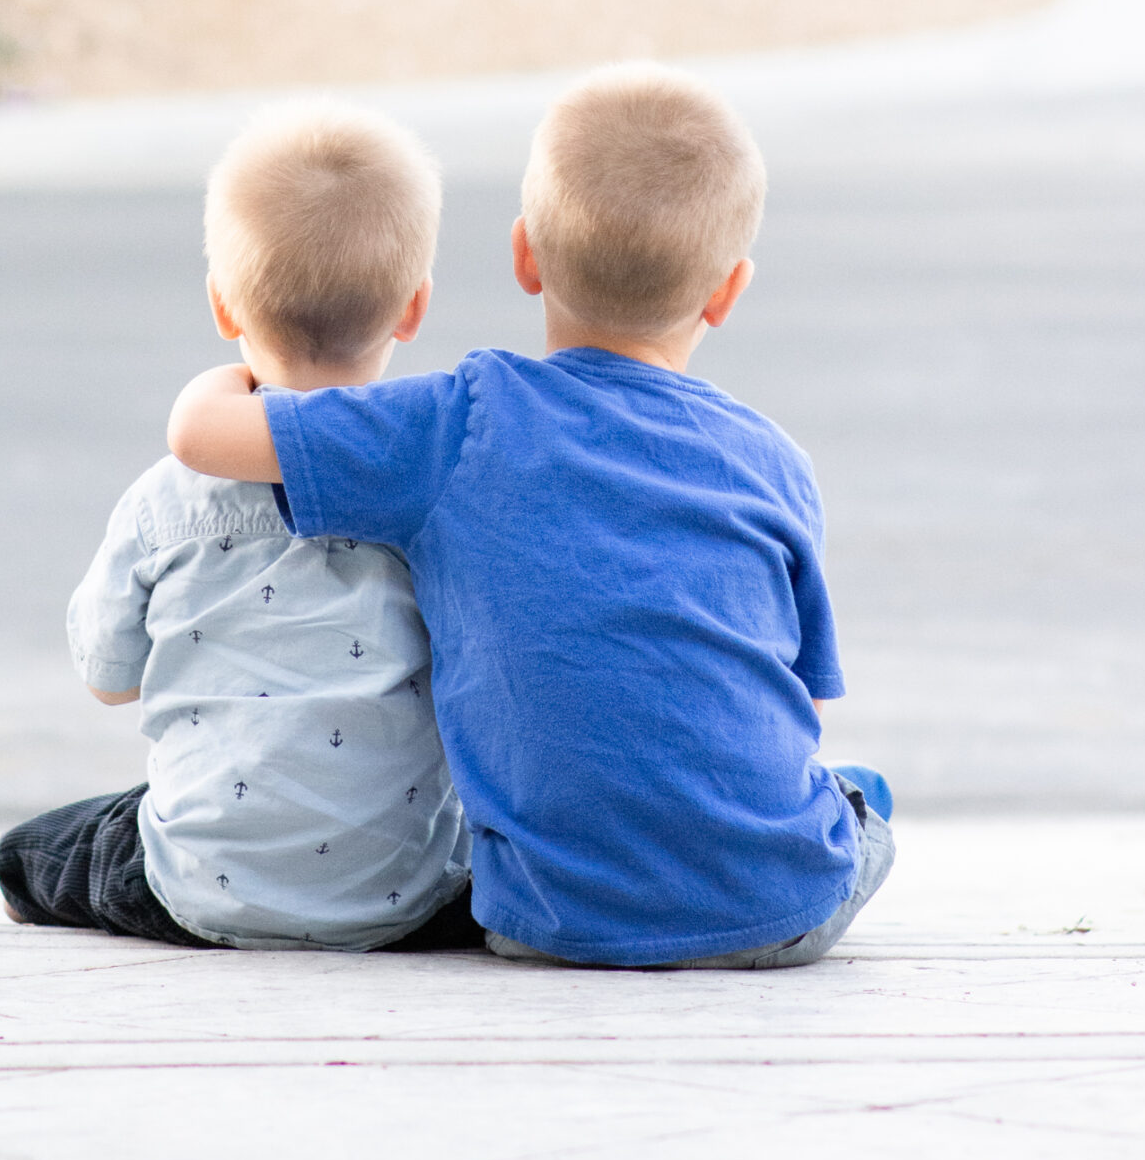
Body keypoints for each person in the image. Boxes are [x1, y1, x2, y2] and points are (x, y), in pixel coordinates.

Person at [167, 63, 895, 971]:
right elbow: (806, 698)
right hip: (780, 912)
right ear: (727, 291)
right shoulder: (774, 462)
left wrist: (224, 374)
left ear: (523, 254)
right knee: (859, 802)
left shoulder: (458, 422)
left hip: (546, 919)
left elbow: (201, 437)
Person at [0, 101, 478, 950]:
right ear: (413, 308)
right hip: (399, 898)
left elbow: (109, 678)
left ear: (224, 305)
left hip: (196, 889)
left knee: (32, 853)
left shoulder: (166, 502)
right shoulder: (434, 497)